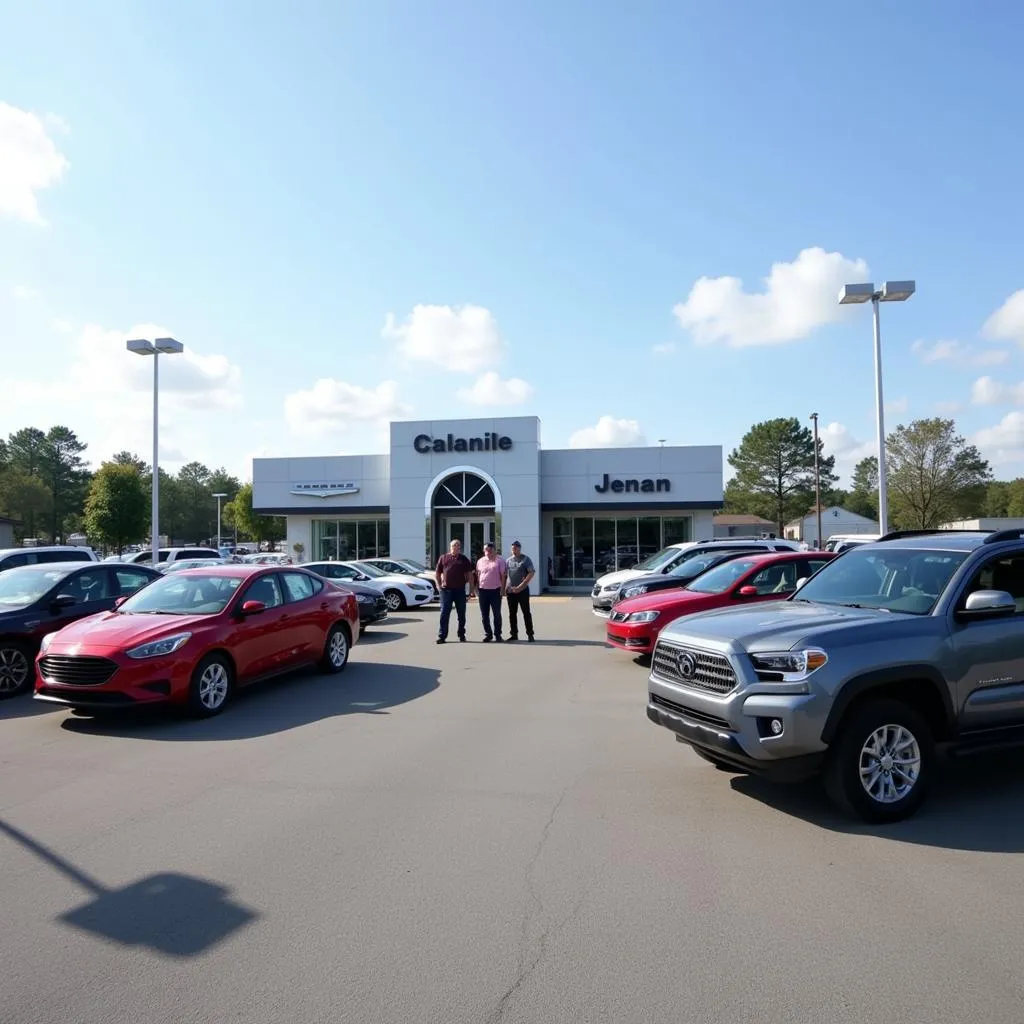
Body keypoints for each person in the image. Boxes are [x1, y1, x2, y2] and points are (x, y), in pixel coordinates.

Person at [435, 539, 474, 644]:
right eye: (454, 545)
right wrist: (439, 586)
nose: (456, 547)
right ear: (450, 547)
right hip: (446, 591)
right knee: (444, 613)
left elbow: (470, 575)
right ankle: (442, 636)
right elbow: (437, 573)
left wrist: (471, 590)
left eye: (458, 545)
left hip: (460, 590)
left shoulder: (463, 559)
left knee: (461, 614)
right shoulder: (443, 558)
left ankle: (461, 634)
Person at [475, 541, 508, 642]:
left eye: (490, 550)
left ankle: (498, 635)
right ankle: (488, 634)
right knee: (484, 615)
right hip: (483, 591)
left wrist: (502, 590)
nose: (488, 552)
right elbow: (477, 575)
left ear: (494, 550)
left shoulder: (500, 561)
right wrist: (476, 590)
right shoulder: (480, 561)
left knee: (496, 614)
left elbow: (503, 576)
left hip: (495, 591)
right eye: (486, 550)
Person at [505, 540, 535, 642]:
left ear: (519, 548)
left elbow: (531, 573)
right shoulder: (508, 560)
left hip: (522, 590)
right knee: (512, 613)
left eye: (516, 548)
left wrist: (521, 586)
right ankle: (514, 634)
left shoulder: (526, 559)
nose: (514, 550)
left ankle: (530, 634)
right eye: (512, 548)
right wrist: (505, 587)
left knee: (526, 612)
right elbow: (505, 575)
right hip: (511, 591)